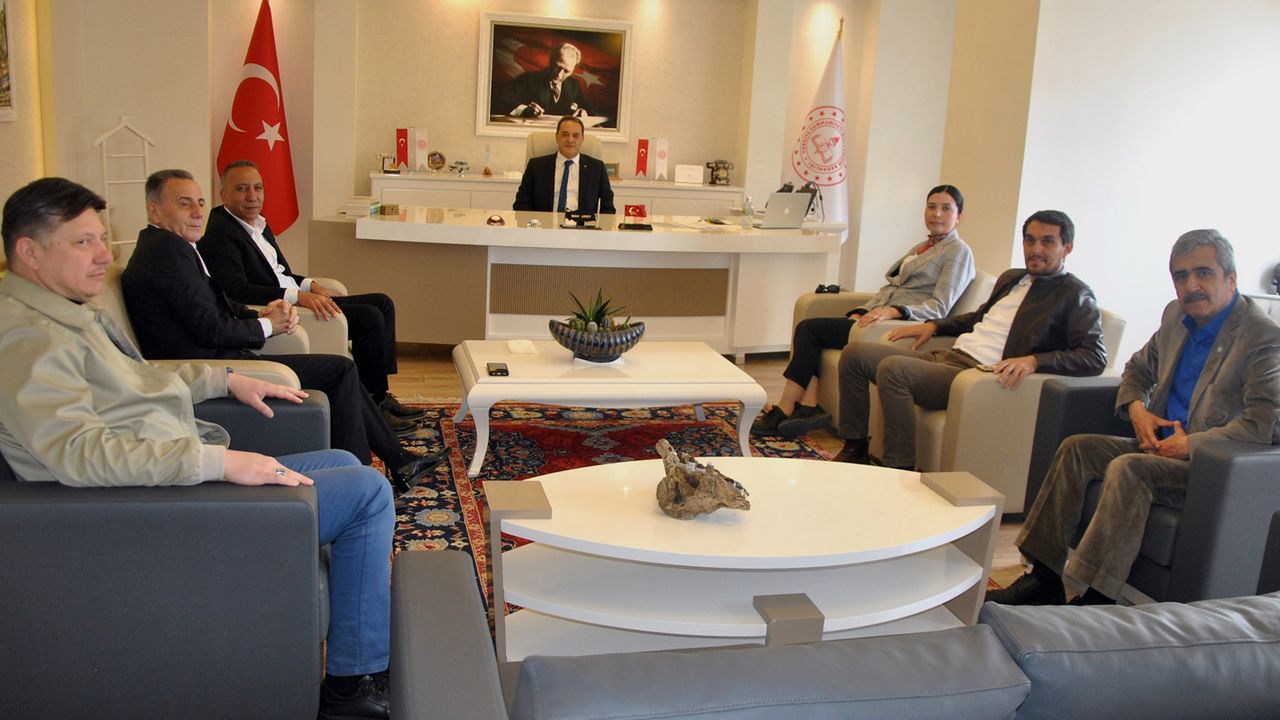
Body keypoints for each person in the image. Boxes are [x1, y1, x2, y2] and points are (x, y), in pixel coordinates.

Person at [0, 177, 393, 719]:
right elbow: (78, 454)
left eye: (101, 239)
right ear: (29, 251)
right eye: (84, 242)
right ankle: (351, 685)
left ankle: (351, 627)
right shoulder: (28, 337)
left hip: (166, 480)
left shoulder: (64, 312)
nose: (103, 256)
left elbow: (140, 379)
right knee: (367, 491)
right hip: (151, 508)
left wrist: (225, 378)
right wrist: (219, 463)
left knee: (343, 462)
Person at [991, 230, 1280, 606]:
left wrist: (1191, 444)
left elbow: (1264, 423)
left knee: (1130, 469)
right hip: (1159, 446)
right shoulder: (1176, 316)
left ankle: (1094, 598)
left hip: (1211, 467)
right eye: (1181, 276)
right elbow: (1138, 370)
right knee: (1077, 449)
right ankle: (1043, 576)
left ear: (1232, 278)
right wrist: (1138, 410)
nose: (1191, 286)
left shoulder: (1262, 337)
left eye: (1203, 273)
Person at [121, 169, 439, 494]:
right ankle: (363, 482)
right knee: (340, 370)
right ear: (154, 211)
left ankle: (391, 465)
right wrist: (268, 326)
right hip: (212, 369)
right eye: (185, 204)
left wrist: (261, 315)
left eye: (200, 203)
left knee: (341, 369)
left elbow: (217, 307)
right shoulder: (166, 254)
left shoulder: (171, 247)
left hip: (220, 358)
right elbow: (212, 329)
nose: (197, 212)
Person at [834, 209, 1107, 469]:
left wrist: (1034, 360)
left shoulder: (1075, 294)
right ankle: (856, 448)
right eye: (1030, 240)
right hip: (949, 356)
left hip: (979, 375)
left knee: (894, 369)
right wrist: (934, 326)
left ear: (1067, 248)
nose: (1036, 249)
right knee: (855, 354)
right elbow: (977, 317)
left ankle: (899, 468)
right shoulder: (1013, 279)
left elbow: (1094, 356)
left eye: (1047, 242)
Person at [199, 159, 421, 432]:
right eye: (242, 189)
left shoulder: (258, 224)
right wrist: (297, 297)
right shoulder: (221, 233)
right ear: (224, 195)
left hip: (294, 297)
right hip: (283, 308)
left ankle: (380, 395)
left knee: (383, 303)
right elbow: (236, 290)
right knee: (369, 317)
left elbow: (279, 272)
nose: (252, 196)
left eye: (258, 188)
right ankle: (374, 405)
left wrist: (309, 284)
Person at [751, 185, 976, 438]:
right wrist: (861, 310)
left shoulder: (958, 252)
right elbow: (890, 288)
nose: (937, 214)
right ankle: (809, 405)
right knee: (813, 330)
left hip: (895, 327)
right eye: (931, 207)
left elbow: (940, 305)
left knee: (810, 330)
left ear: (959, 216)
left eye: (946, 209)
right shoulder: (923, 247)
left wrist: (896, 311)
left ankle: (786, 407)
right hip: (875, 317)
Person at [513, 115, 616, 214]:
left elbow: (608, 208)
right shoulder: (536, 166)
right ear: (557, 137)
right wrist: (534, 222)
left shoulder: (597, 168)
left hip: (582, 224)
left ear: (582, 139)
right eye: (565, 134)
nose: (570, 140)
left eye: (575, 135)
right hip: (544, 224)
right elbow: (521, 204)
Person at [496, 42, 589, 119]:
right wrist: (524, 110)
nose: (559, 74)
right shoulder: (528, 79)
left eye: (566, 71)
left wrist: (583, 111)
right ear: (551, 61)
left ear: (573, 70)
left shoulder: (573, 85)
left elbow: (588, 109)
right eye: (558, 67)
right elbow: (501, 103)